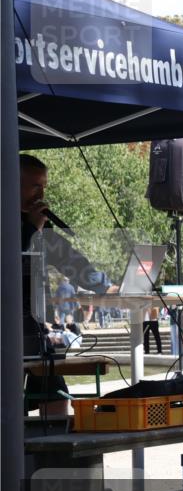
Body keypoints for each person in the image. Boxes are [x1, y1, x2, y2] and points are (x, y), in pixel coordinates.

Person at [20, 154, 119, 415]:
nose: (41, 194)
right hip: (9, 329)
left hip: (34, 326)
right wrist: (30, 230)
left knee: (55, 393)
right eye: (34, 186)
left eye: (44, 186)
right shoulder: (15, 223)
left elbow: (68, 258)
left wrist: (103, 287)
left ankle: (53, 451)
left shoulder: (37, 225)